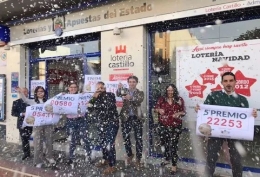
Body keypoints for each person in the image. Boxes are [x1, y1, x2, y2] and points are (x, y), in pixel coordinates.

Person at [195, 72, 258, 177]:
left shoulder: (242, 99)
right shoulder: (213, 95)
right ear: (222, 83)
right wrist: (199, 109)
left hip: (235, 134)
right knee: (211, 158)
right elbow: (205, 111)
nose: (228, 83)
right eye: (225, 81)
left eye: (231, 80)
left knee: (236, 160)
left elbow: (245, 119)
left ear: (235, 82)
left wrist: (252, 115)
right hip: (215, 132)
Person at [17, 86, 58, 169]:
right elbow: (25, 100)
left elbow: (57, 104)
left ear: (44, 92)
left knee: (49, 141)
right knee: (38, 143)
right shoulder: (32, 101)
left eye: (42, 91)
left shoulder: (48, 101)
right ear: (36, 93)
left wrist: (62, 96)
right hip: (37, 126)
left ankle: (49, 157)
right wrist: (20, 92)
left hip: (48, 125)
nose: (40, 92)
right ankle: (38, 161)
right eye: (38, 91)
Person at [154, 84, 186, 175]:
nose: (170, 92)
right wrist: (159, 110)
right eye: (168, 90)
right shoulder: (161, 99)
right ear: (166, 91)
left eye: (171, 90)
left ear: (174, 91)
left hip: (175, 126)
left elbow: (184, 112)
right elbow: (155, 109)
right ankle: (167, 159)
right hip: (163, 125)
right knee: (164, 143)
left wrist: (179, 113)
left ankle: (174, 165)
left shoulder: (179, 100)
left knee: (174, 145)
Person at [88, 82, 119, 175]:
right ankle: (105, 160)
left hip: (112, 123)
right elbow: (89, 109)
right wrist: (94, 97)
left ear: (105, 88)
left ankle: (112, 165)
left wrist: (99, 97)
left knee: (109, 143)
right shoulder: (95, 98)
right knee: (103, 143)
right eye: (98, 88)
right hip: (101, 124)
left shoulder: (110, 95)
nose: (100, 89)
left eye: (101, 88)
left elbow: (108, 106)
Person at [116, 76, 144, 169]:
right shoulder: (125, 91)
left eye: (134, 82)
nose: (132, 83)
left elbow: (139, 100)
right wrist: (119, 88)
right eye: (130, 82)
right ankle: (130, 154)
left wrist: (131, 98)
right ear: (128, 82)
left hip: (137, 118)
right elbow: (118, 93)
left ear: (136, 83)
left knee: (138, 139)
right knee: (126, 138)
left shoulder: (140, 92)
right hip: (126, 118)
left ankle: (138, 159)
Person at [65, 82, 92, 165]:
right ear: (68, 88)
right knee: (72, 140)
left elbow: (91, 100)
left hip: (81, 120)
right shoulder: (65, 97)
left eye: (75, 87)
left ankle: (88, 156)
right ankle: (71, 158)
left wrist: (86, 95)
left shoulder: (81, 96)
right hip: (70, 121)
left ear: (77, 88)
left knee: (85, 138)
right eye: (71, 87)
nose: (73, 88)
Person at [11, 87, 32, 160]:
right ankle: (26, 153)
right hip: (21, 123)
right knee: (24, 139)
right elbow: (13, 113)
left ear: (28, 93)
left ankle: (30, 152)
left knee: (28, 137)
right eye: (23, 92)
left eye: (26, 92)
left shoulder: (31, 102)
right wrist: (21, 114)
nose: (24, 93)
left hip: (30, 123)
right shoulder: (16, 102)